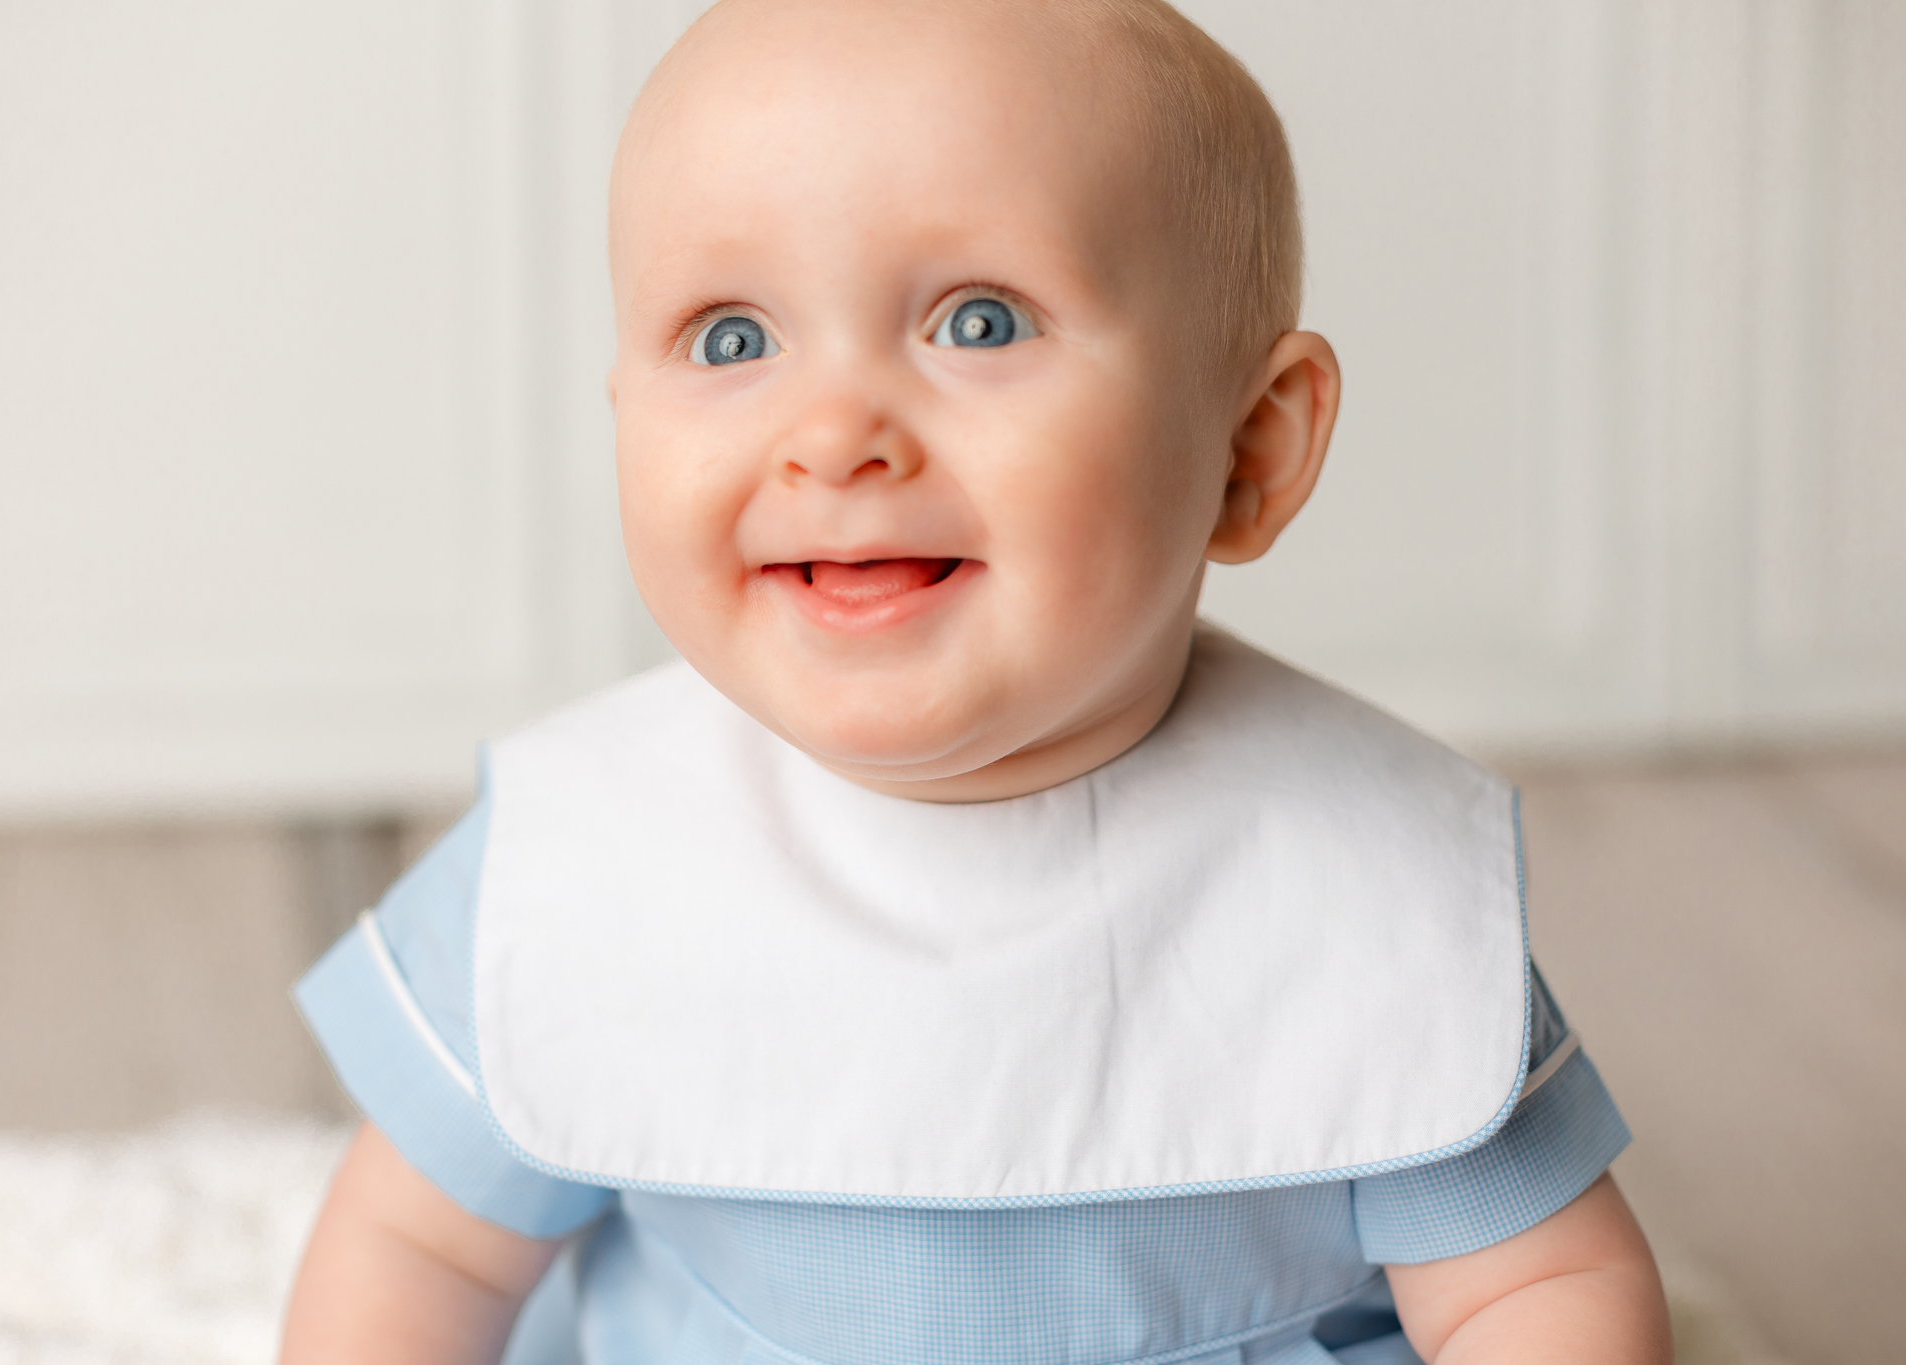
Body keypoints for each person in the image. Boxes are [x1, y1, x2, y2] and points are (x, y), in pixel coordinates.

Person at [280, 1, 1674, 1361]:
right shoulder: (591, 849)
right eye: (732, 339)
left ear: (1249, 449)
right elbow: (425, 1249)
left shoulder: (1359, 873)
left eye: (981, 323)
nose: (833, 435)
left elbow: (1530, 1286)